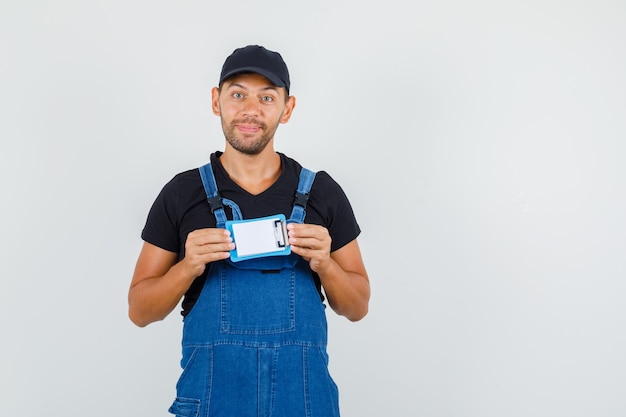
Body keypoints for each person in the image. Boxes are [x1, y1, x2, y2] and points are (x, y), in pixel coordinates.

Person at [128, 44, 370, 417]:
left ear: (287, 109)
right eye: (237, 94)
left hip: (302, 406)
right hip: (211, 406)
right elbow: (139, 311)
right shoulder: (181, 193)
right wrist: (187, 267)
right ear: (216, 101)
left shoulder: (322, 193)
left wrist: (326, 264)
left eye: (267, 97)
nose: (250, 110)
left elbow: (357, 307)